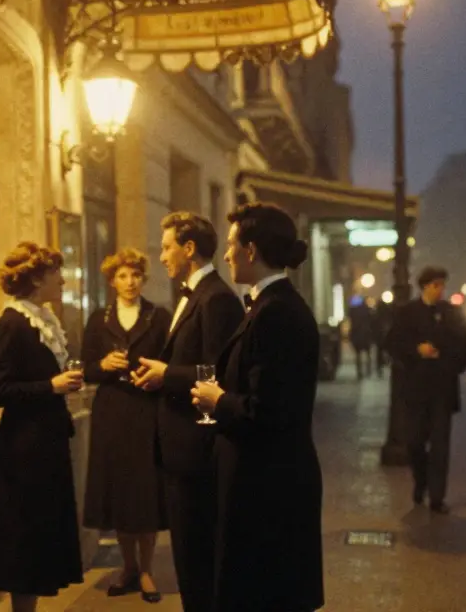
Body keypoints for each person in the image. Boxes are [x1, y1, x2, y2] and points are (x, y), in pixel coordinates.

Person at [185, 202, 323, 612]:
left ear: (250, 250)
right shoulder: (268, 305)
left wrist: (217, 399)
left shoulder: (275, 312)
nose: (225, 254)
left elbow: (270, 410)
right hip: (263, 480)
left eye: (230, 245)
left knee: (261, 595)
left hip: (267, 486)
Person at [134, 212, 243, 612]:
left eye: (166, 247)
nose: (162, 256)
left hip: (198, 451)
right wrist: (159, 377)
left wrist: (168, 374)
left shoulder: (216, 298)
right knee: (188, 559)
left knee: (199, 561)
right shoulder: (193, 295)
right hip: (180, 449)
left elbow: (217, 372)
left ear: (189, 249)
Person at [0, 242, 85, 612]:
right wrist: (51, 386)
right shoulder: (11, 324)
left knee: (39, 541)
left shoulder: (43, 319)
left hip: (46, 445)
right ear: (35, 278)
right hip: (22, 451)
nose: (61, 279)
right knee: (22, 542)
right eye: (55, 273)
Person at [81, 247, 172, 604]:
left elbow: (170, 362)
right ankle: (128, 566)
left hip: (146, 409)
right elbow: (85, 368)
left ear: (143, 279)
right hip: (112, 412)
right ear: (111, 281)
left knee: (145, 491)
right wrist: (102, 364)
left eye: (135, 275)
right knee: (120, 492)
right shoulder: (98, 319)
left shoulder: (158, 316)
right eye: (122, 275)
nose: (130, 282)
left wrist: (156, 378)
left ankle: (147, 570)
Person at [385, 266, 466, 513]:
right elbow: (393, 343)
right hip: (416, 387)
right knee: (414, 441)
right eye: (435, 285)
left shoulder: (451, 313)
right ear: (424, 286)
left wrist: (448, 360)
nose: (439, 290)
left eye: (442, 285)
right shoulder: (408, 313)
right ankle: (421, 479)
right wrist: (416, 350)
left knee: (440, 444)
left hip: (442, 388)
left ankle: (437, 496)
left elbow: (465, 345)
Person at [348, 297, 376, 379]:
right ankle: (368, 370)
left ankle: (360, 371)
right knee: (367, 354)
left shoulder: (354, 312)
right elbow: (372, 322)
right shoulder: (368, 311)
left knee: (358, 355)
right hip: (366, 335)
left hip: (358, 336)